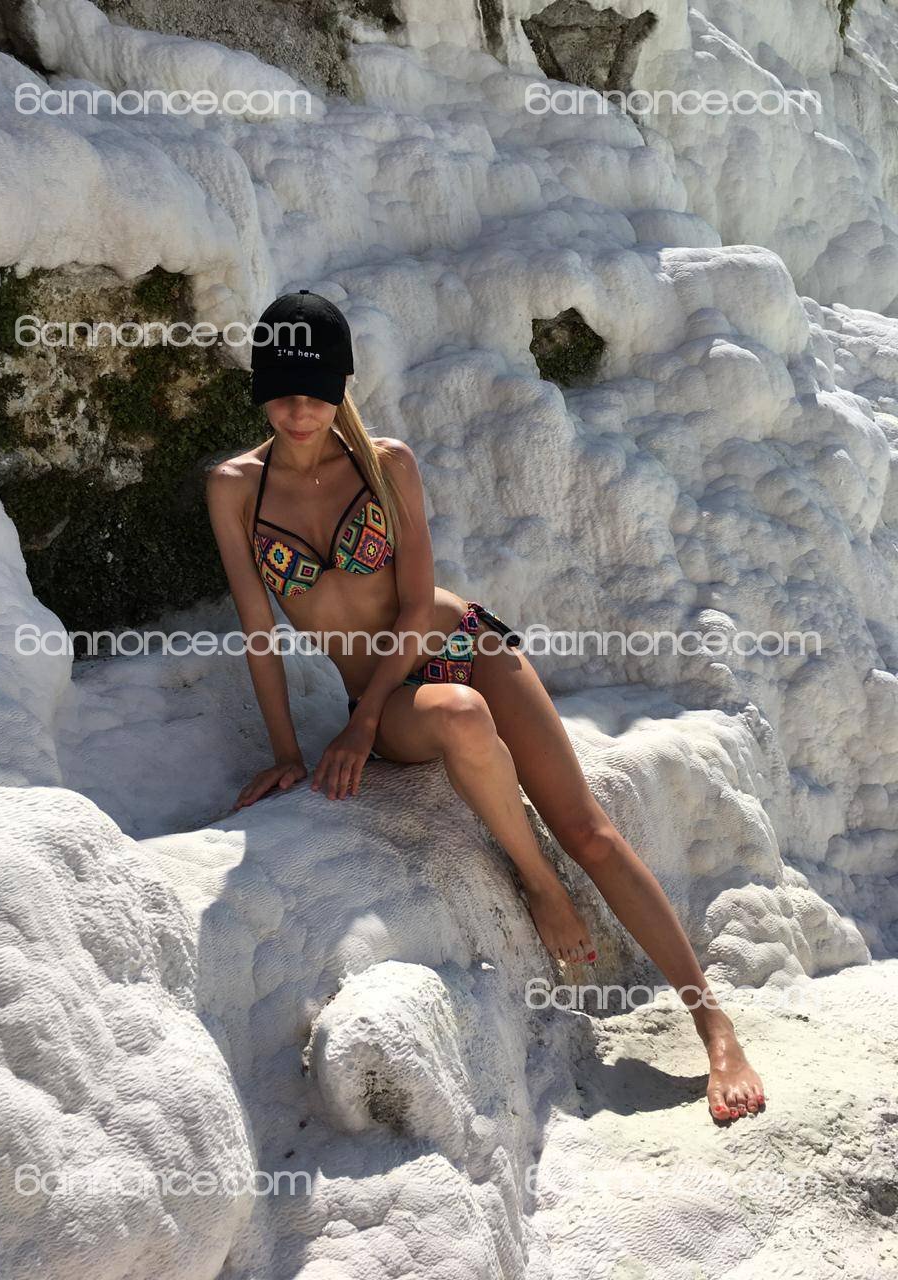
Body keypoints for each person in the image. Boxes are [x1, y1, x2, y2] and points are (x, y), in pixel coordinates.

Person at [206, 289, 766, 1123]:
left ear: (342, 385)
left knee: (589, 828)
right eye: (282, 392)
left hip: (458, 639)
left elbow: (418, 605)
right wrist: (290, 750)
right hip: (401, 694)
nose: (298, 410)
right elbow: (260, 632)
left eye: (316, 391)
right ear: (260, 390)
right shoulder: (236, 489)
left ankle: (713, 1024)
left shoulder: (386, 464)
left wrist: (360, 723)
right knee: (461, 718)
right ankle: (540, 884)